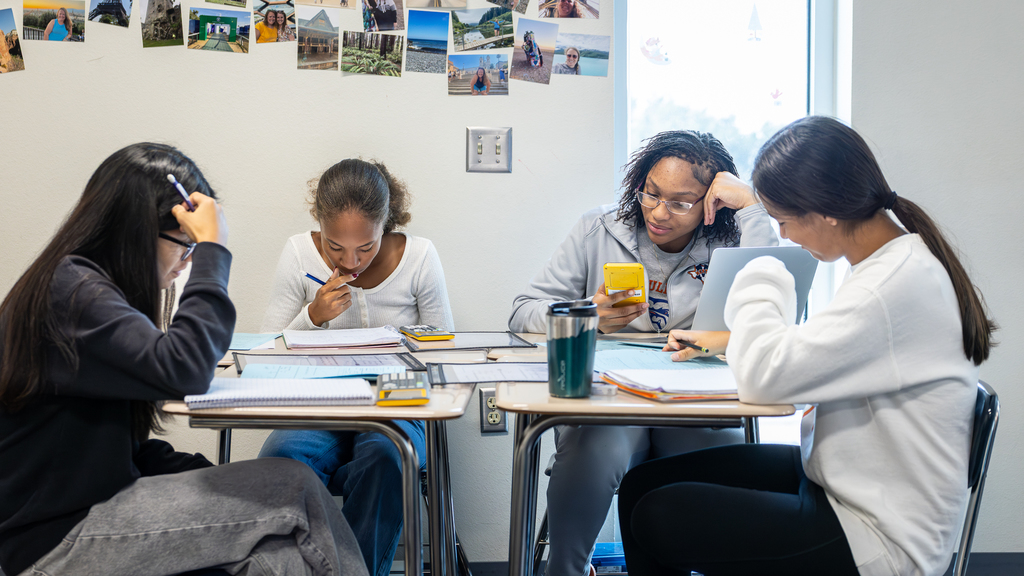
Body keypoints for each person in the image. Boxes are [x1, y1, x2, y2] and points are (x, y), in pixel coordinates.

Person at [617, 116, 996, 576]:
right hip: (842, 486)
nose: (784, 235)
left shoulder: (892, 284)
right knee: (643, 484)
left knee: (659, 515)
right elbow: (830, 351)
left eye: (784, 221)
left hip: (877, 537)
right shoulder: (896, 263)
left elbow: (765, 380)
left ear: (827, 210)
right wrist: (732, 340)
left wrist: (764, 267)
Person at [0, 143, 368, 576]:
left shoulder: (83, 290)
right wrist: (213, 247)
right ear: (138, 232)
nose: (187, 261)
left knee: (278, 557)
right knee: (296, 484)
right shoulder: (73, 292)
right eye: (185, 246)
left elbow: (119, 449)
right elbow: (187, 371)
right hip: (57, 539)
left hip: (99, 509)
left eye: (196, 250)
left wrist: (226, 481)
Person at [508, 130, 778, 576]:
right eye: (651, 193)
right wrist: (586, 314)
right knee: (590, 453)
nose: (658, 212)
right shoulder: (599, 227)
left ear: (710, 202)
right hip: (612, 405)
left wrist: (751, 206)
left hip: (696, 407)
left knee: (727, 463)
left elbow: (775, 309)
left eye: (680, 202)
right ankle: (567, 570)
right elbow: (523, 314)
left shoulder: (732, 243)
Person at [258, 158, 454, 576]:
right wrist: (312, 315)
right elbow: (266, 351)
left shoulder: (418, 257)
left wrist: (406, 346)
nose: (351, 262)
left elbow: (443, 349)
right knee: (280, 456)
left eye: (366, 247)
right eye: (335, 247)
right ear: (319, 226)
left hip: (397, 397)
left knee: (386, 456)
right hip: (322, 398)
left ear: (385, 224)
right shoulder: (297, 253)